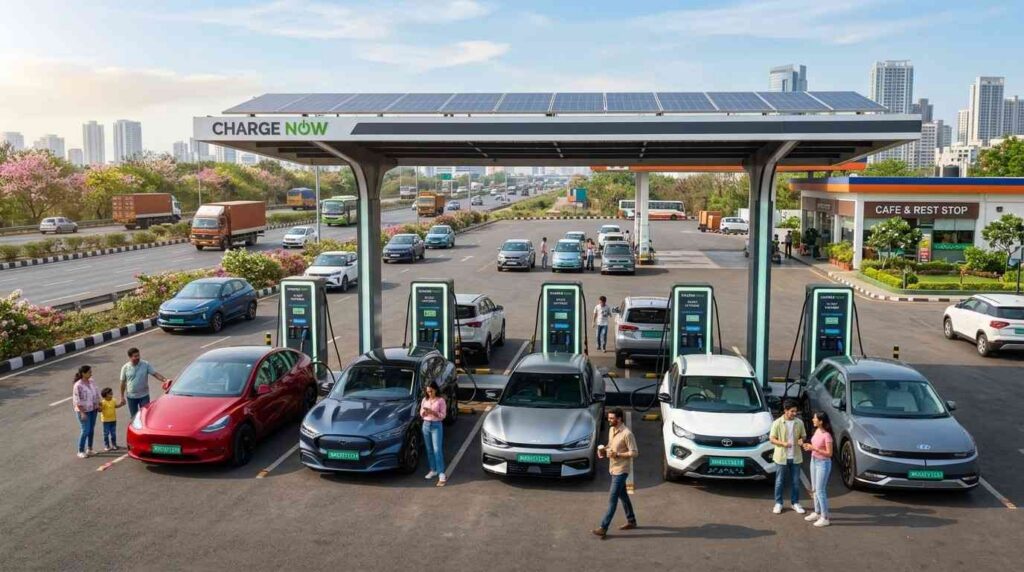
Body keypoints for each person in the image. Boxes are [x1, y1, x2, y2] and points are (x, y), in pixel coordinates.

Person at [593, 408, 638, 538]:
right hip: (613, 468)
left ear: (619, 419)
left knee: (612, 499)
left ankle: (603, 527)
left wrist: (617, 454)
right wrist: (602, 450)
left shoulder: (627, 434)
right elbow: (610, 445)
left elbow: (634, 452)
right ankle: (632, 520)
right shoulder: (612, 429)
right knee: (623, 495)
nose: (609, 420)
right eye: (609, 418)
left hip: (621, 471)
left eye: (612, 418)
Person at [769, 399, 807, 514]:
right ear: (785, 411)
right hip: (781, 457)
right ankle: (778, 503)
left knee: (796, 482)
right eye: (792, 411)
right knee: (779, 481)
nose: (794, 414)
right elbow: (772, 439)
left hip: (796, 457)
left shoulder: (799, 422)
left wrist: (801, 440)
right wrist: (783, 443)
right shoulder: (777, 423)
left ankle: (795, 503)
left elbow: (803, 436)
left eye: (796, 411)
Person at [119, 347, 172, 421]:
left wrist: (165, 380)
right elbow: (122, 383)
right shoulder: (125, 368)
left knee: (145, 415)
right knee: (134, 417)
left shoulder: (145, 364)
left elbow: (155, 374)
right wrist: (122, 396)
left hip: (144, 396)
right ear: (130, 357)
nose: (138, 358)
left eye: (138, 355)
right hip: (131, 397)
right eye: (135, 356)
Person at [802, 411, 834, 527]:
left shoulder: (827, 435)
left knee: (820, 490)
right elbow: (814, 447)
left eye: (815, 418)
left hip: (823, 464)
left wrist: (814, 448)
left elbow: (829, 453)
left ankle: (825, 517)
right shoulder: (816, 431)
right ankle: (817, 512)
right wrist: (808, 447)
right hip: (813, 461)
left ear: (821, 421)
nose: (813, 420)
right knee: (815, 489)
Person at [420, 381, 447, 486]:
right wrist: (424, 412)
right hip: (426, 425)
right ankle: (433, 469)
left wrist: (433, 412)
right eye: (427, 391)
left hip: (436, 426)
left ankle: (441, 472)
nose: (429, 393)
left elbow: (443, 415)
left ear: (435, 390)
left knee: (437, 449)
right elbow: (421, 413)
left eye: (431, 391)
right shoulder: (424, 400)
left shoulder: (441, 401)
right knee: (429, 449)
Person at [72, 365, 100, 458]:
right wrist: (82, 413)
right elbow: (77, 400)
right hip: (83, 411)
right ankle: (80, 450)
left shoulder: (91, 381)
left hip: (93, 409)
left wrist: (98, 405)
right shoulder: (78, 385)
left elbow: (96, 393)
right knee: (85, 430)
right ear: (83, 373)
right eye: (89, 372)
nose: (91, 373)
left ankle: (90, 449)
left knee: (91, 430)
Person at [98, 387, 125, 452]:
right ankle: (107, 446)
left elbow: (116, 406)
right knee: (106, 434)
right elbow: (100, 410)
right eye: (110, 394)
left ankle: (114, 445)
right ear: (105, 395)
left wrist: (121, 404)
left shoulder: (113, 400)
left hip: (113, 420)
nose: (111, 394)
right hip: (106, 421)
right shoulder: (103, 402)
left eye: (111, 393)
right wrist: (99, 406)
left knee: (113, 433)